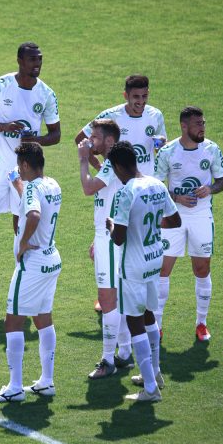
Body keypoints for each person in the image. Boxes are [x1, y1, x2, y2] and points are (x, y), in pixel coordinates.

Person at [0, 42, 60, 306]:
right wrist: (6, 125)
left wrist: (37, 138)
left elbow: (56, 135)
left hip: (27, 170)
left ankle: (23, 278)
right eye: (32, 60)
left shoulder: (46, 94)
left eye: (39, 60)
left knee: (21, 226)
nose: (37, 65)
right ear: (20, 61)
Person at [0, 143, 62, 402]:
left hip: (33, 263)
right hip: (51, 259)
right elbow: (32, 195)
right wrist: (18, 184)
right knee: (43, 318)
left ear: (26, 165)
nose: (19, 170)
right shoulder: (52, 184)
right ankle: (46, 381)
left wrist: (24, 242)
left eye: (20, 167)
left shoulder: (32, 188)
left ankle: (15, 387)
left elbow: (34, 213)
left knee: (13, 321)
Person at [106, 141, 181, 402]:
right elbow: (174, 220)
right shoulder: (156, 184)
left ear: (117, 166)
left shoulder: (125, 193)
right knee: (150, 314)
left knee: (134, 321)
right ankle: (156, 372)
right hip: (154, 259)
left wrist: (111, 224)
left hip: (134, 267)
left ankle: (150, 388)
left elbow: (118, 239)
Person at [153, 106, 223, 341]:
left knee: (202, 268)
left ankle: (201, 323)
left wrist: (210, 188)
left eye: (203, 123)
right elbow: (155, 186)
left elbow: (222, 181)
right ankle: (157, 324)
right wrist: (176, 198)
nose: (202, 127)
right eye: (197, 124)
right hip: (172, 216)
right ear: (184, 127)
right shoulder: (167, 152)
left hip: (201, 216)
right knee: (163, 269)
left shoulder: (211, 149)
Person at [77, 119, 134, 379]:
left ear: (109, 141)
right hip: (107, 236)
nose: (91, 141)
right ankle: (124, 353)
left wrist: (82, 158)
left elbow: (89, 189)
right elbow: (107, 195)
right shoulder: (114, 164)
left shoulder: (112, 164)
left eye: (95, 138)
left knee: (109, 301)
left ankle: (108, 360)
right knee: (116, 298)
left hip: (110, 239)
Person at [74, 74, 166, 175]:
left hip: (146, 182)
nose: (141, 101)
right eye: (136, 96)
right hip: (117, 183)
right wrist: (98, 166)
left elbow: (160, 148)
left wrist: (160, 145)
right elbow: (80, 139)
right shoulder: (111, 115)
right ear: (126, 95)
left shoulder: (156, 115)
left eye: (144, 96)